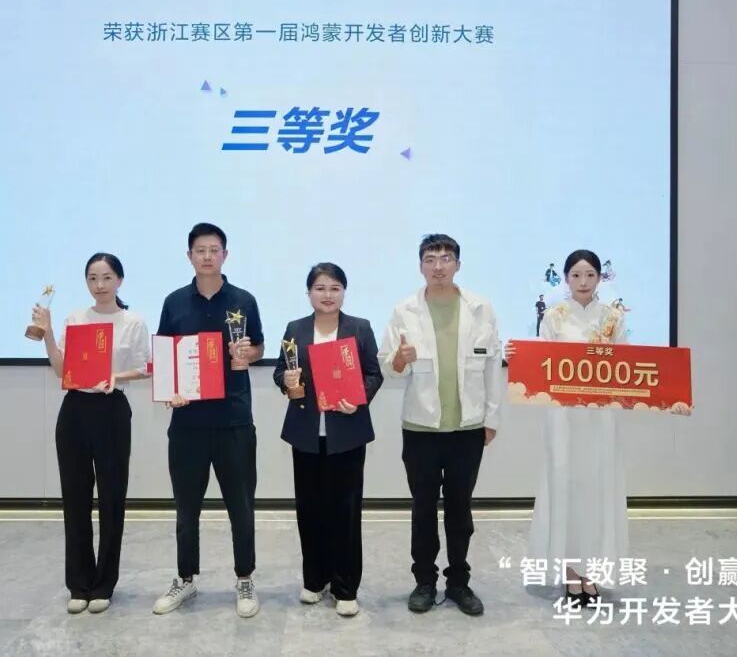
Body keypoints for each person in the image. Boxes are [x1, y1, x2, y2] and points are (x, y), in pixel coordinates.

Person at [379, 234, 502, 616]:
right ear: (421, 266)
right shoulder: (405, 310)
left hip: (468, 427)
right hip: (421, 428)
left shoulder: (480, 308)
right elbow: (389, 367)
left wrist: (492, 418)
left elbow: (493, 367)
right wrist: (400, 359)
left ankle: (459, 583)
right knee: (423, 510)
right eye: (430, 259)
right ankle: (424, 581)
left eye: (446, 258)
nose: (438, 266)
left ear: (457, 265)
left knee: (460, 511)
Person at [152, 223, 264, 618]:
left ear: (225, 255)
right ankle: (185, 578)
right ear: (189, 256)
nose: (207, 256)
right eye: (200, 250)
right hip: (188, 424)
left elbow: (259, 347)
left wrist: (247, 354)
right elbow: (165, 355)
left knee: (241, 506)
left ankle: (245, 578)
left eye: (214, 250)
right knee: (186, 509)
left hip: (234, 420)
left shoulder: (244, 300)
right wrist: (170, 389)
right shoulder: (174, 302)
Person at [506, 249, 628, 606]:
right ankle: (571, 572)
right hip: (563, 416)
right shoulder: (555, 316)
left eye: (590, 275)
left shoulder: (613, 317)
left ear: (600, 278)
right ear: (566, 278)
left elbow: (626, 362)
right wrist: (516, 357)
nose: (583, 282)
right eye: (576, 275)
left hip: (600, 416)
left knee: (597, 489)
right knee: (565, 487)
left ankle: (591, 572)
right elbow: (542, 362)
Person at [33, 252, 150, 615]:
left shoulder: (132, 321)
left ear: (120, 281)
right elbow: (61, 370)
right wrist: (48, 334)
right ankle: (79, 584)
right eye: (93, 279)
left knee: (112, 498)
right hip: (75, 411)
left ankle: (103, 584)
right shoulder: (75, 318)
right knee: (75, 498)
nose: (100, 285)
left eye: (107, 277)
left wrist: (116, 376)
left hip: (112, 409)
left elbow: (145, 367)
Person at [272, 262, 383, 617]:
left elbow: (374, 374)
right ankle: (315, 580)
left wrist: (359, 397)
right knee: (310, 510)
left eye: (335, 288)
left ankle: (345, 587)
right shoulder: (296, 328)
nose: (327, 295)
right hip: (306, 434)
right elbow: (280, 371)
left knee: (346, 512)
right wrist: (287, 383)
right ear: (309, 293)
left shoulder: (359, 328)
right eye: (320, 288)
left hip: (346, 434)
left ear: (344, 292)